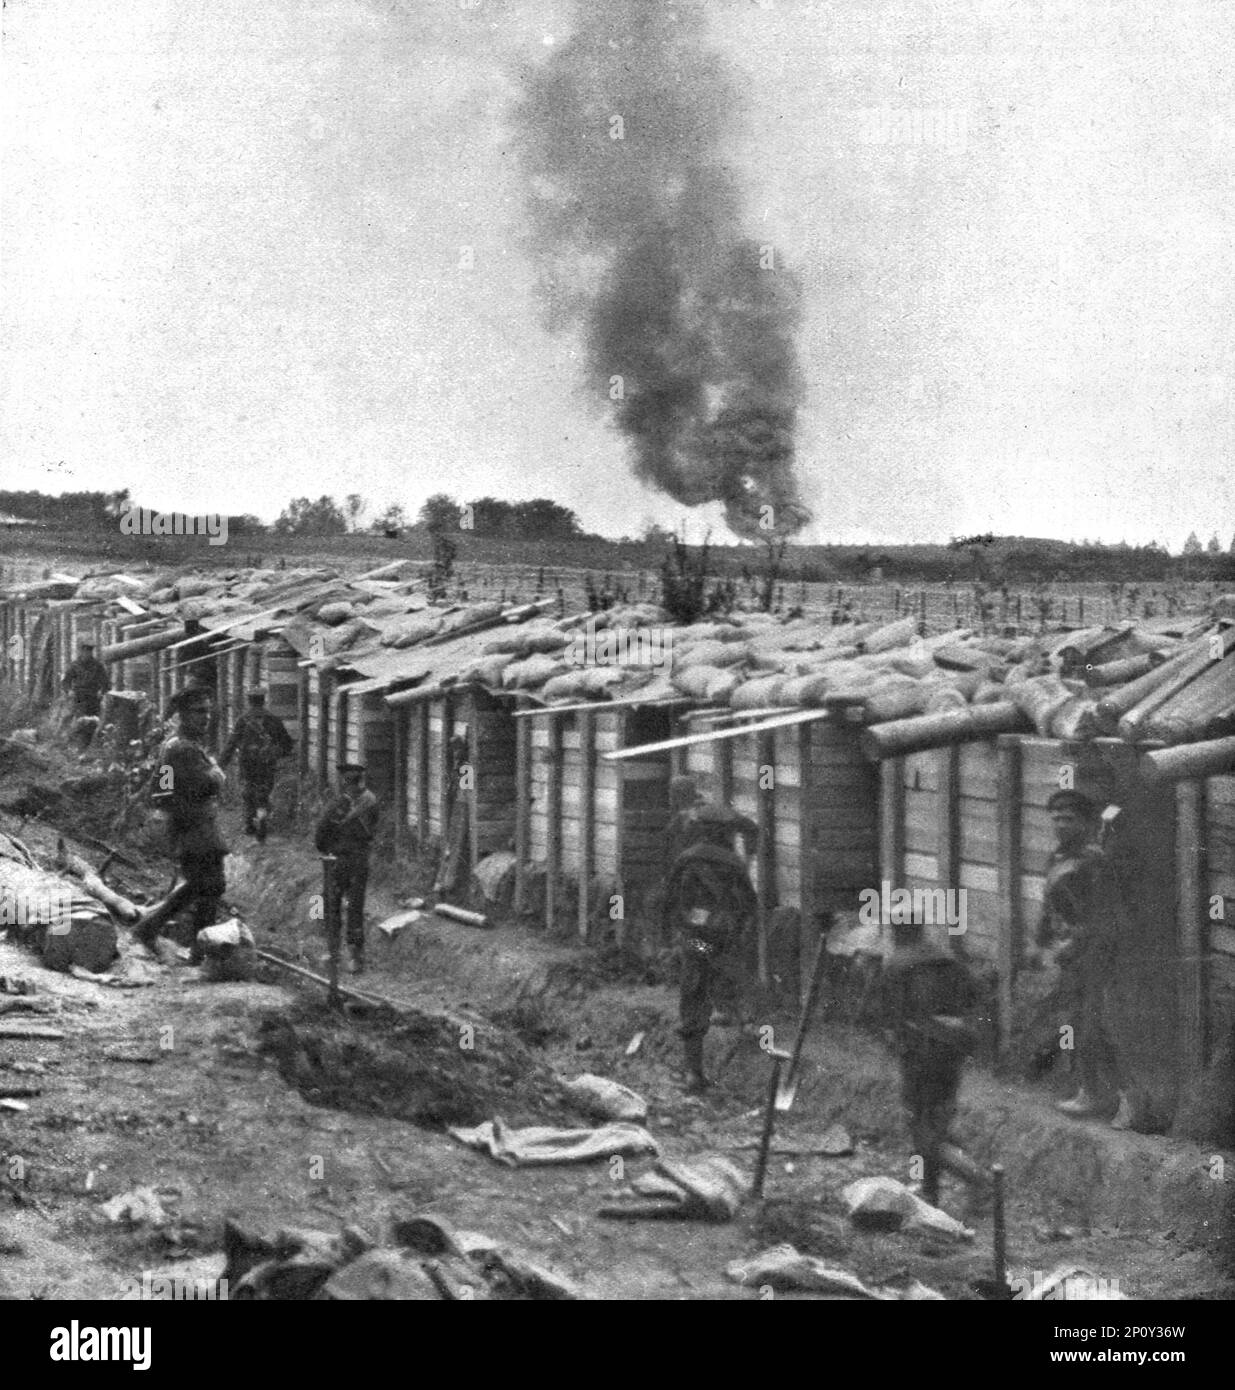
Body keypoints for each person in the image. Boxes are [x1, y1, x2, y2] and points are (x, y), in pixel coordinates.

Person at [1031, 789, 1131, 1128]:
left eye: (1068, 819)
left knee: (1095, 1026)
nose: (1060, 825)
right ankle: (1092, 1092)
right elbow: (1050, 907)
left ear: (1086, 822)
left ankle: (1124, 1100)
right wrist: (1040, 942)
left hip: (1098, 957)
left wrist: (1076, 942)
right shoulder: (1058, 858)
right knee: (1076, 1024)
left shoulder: (1094, 863)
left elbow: (1110, 919)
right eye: (1056, 819)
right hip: (1072, 958)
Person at [880, 916, 990, 1211]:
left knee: (922, 1128)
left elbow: (890, 1020)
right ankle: (931, 1192)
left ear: (896, 932)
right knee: (938, 1121)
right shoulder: (947, 959)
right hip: (951, 1051)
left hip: (919, 1053)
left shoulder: (897, 964)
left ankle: (976, 1178)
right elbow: (975, 995)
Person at [661, 802, 758, 1093]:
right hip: (724, 940)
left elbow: (670, 902)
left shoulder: (686, 859)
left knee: (693, 998)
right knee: (729, 978)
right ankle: (744, 1030)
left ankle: (694, 1072)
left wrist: (675, 935)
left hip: (694, 940)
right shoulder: (734, 864)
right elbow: (749, 906)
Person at [134, 685, 229, 961]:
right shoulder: (184, 750)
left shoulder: (172, 746)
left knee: (204, 885)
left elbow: (160, 789)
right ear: (183, 715)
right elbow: (211, 782)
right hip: (195, 825)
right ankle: (199, 950)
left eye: (208, 712)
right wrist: (213, 777)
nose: (206, 717)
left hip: (190, 824)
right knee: (210, 885)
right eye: (199, 712)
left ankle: (154, 929)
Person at [315, 763, 380, 975]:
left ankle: (333, 953)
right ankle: (355, 957)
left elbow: (321, 834)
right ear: (361, 781)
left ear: (344, 781)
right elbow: (373, 829)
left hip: (336, 860)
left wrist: (327, 849)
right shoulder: (371, 802)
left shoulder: (337, 805)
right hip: (360, 859)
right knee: (355, 906)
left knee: (330, 903)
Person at [219, 688, 294, 843]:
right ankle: (261, 818)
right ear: (263, 700)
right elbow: (287, 744)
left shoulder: (243, 720)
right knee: (263, 793)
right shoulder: (273, 720)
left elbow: (231, 744)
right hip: (266, 762)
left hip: (247, 762)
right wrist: (277, 754)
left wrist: (221, 764)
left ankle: (248, 823)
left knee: (247, 791)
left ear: (249, 701)